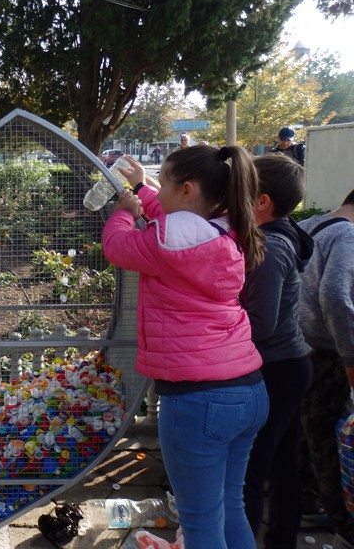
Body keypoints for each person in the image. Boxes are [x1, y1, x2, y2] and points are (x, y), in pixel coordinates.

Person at [102, 147, 268, 549]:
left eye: (167, 184)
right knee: (229, 507)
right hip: (249, 390)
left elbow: (117, 246)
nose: (161, 194)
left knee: (199, 523)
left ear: (188, 190)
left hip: (199, 401)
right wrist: (142, 185)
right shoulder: (224, 231)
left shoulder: (170, 243)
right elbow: (171, 218)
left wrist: (124, 209)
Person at [240, 154, 314, 548]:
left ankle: (246, 539)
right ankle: (281, 539)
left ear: (261, 201)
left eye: (239, 191)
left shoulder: (269, 248)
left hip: (278, 370)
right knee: (282, 462)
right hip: (289, 365)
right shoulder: (281, 235)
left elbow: (261, 324)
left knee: (252, 468)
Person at [297, 189, 354, 549]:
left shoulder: (307, 226)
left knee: (306, 433)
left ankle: (306, 502)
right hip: (329, 352)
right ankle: (345, 524)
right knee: (333, 441)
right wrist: (351, 357)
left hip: (296, 348)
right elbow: (335, 295)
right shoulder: (347, 234)